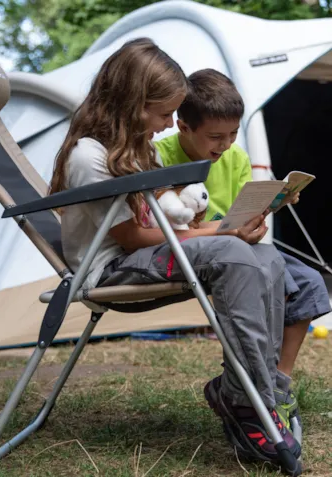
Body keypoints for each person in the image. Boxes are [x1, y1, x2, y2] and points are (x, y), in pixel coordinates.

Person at [50, 38, 301, 464]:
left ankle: (253, 393)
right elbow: (134, 239)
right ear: (132, 102)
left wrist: (232, 226)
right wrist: (223, 237)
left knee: (266, 255)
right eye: (164, 113)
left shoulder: (135, 149)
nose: (169, 124)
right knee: (234, 255)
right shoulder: (89, 156)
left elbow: (168, 225)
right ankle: (251, 405)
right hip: (112, 267)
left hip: (147, 254)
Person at [154, 68, 331, 434]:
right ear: (183, 126)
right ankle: (246, 391)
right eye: (215, 136)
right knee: (262, 276)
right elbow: (168, 227)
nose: (225, 144)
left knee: (310, 283)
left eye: (233, 133)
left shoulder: (234, 157)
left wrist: (270, 206)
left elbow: (241, 212)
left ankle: (277, 383)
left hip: (236, 245)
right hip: (200, 254)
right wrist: (232, 231)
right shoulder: (160, 157)